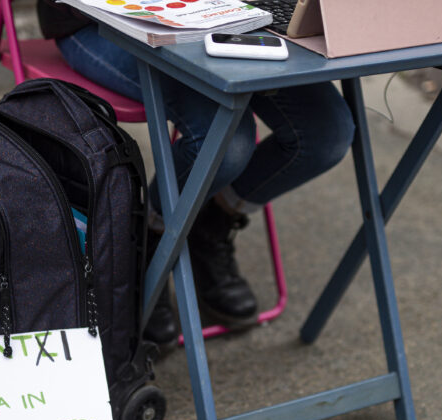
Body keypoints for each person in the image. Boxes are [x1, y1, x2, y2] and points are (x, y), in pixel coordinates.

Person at [37, 0, 355, 349]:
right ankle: (146, 247)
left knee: (327, 134)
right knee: (225, 142)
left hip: (237, 16)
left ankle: (208, 226)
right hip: (104, 21)